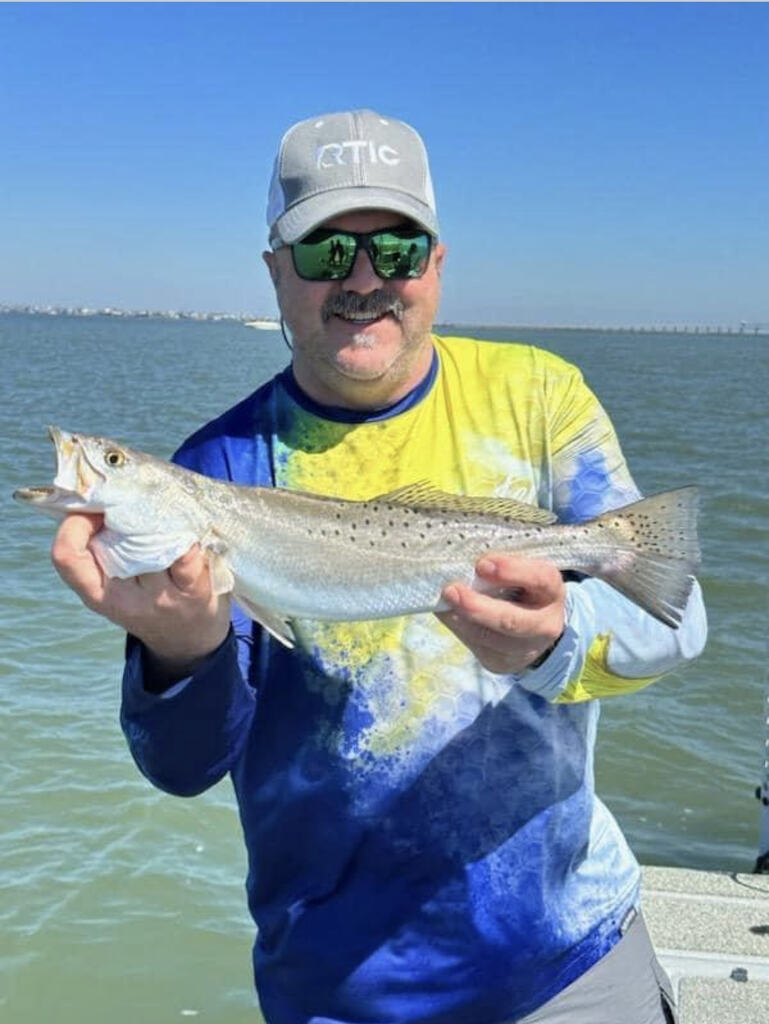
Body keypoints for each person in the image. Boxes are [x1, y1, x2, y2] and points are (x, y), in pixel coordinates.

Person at [52, 109, 706, 1024]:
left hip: (572, 960)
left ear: (435, 262)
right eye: (325, 252)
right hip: (340, 990)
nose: (364, 280)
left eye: (395, 250)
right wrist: (182, 654)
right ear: (276, 270)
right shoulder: (215, 469)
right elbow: (182, 768)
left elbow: (676, 620)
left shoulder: (539, 397)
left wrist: (557, 638)